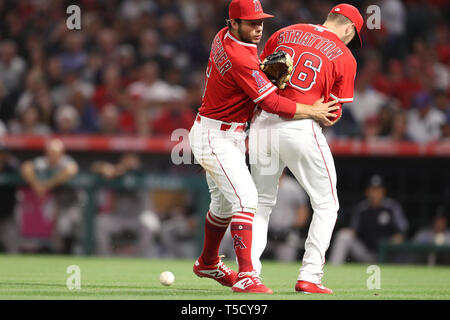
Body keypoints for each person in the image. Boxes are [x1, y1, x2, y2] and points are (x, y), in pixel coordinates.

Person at [188, 0, 338, 294]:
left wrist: (262, 73)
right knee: (246, 200)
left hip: (222, 133)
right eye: (251, 23)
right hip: (215, 136)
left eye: (260, 22)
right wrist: (313, 111)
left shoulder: (222, 36)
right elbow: (270, 102)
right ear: (233, 23)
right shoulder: (239, 56)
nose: (258, 28)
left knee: (222, 206)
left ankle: (207, 262)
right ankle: (246, 276)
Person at [249, 3, 363, 294]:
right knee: (326, 204)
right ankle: (309, 275)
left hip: (262, 124)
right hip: (300, 127)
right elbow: (333, 113)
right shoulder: (346, 57)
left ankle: (249, 274)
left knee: (261, 204)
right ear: (349, 28)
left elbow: (256, 76)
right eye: (354, 34)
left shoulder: (286, 32)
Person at [329, 174, 408, 264]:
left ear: (383, 192)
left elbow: (402, 232)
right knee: (344, 236)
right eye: (372, 190)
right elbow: (353, 231)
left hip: (388, 255)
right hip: (367, 253)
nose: (374, 194)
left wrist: (392, 242)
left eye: (378, 190)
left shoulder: (392, 207)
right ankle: (334, 268)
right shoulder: (362, 209)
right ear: (367, 192)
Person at [92, 153, 159, 257]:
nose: (130, 164)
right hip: (118, 218)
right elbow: (95, 167)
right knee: (100, 223)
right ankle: (105, 258)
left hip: (138, 218)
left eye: (132, 161)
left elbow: (136, 173)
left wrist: (123, 170)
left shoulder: (142, 174)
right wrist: (106, 168)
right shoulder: (116, 175)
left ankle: (139, 259)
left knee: (149, 224)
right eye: (126, 161)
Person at [20, 138, 81, 253]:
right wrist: (35, 184)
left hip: (73, 203)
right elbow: (26, 167)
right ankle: (56, 252)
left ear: (62, 153)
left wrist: (47, 185)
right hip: (53, 204)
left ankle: (72, 252)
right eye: (50, 152)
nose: (53, 155)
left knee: (70, 227)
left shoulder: (65, 161)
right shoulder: (43, 162)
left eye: (56, 152)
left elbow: (71, 170)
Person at [263, 170, 310, 262]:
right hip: (265, 232)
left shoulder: (293, 186)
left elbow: (303, 212)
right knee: (253, 259)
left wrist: (292, 227)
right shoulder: (262, 185)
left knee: (286, 262)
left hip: (287, 233)